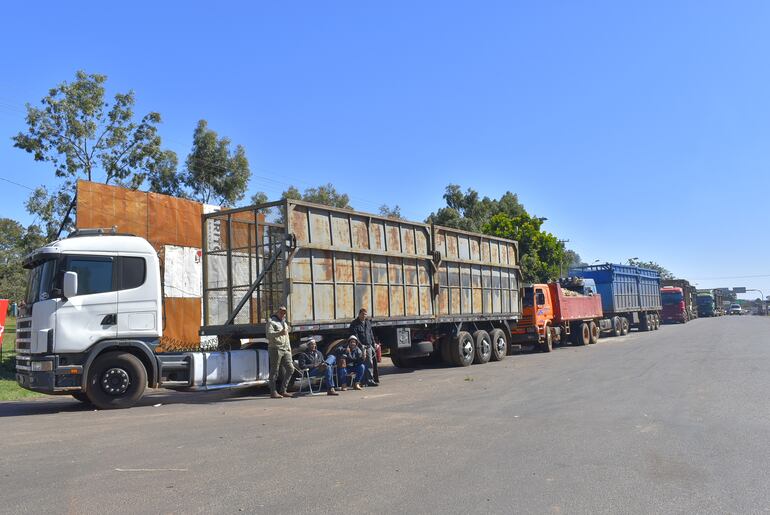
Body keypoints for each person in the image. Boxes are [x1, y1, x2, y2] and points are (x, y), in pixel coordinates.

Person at [266, 306, 295, 399]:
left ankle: (283, 390)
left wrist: (289, 349)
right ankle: (273, 392)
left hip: (285, 349)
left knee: (291, 368)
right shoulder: (271, 322)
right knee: (275, 371)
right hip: (275, 348)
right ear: (277, 312)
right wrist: (279, 333)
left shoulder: (284, 323)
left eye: (284, 312)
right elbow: (268, 335)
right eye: (281, 312)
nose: (283, 314)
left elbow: (287, 337)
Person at [349, 308, 379, 386]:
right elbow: (355, 336)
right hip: (359, 347)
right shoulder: (354, 324)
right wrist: (360, 345)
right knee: (361, 363)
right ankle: (361, 381)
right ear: (359, 314)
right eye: (362, 314)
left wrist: (374, 343)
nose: (364, 316)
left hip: (368, 346)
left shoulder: (368, 322)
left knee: (369, 363)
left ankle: (369, 380)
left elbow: (371, 334)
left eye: (365, 314)